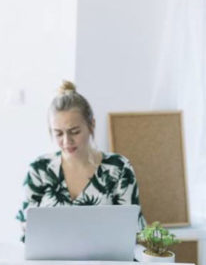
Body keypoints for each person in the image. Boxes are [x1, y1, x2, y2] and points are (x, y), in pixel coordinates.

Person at [17, 81, 146, 239]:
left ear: (91, 125)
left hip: (106, 262)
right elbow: (26, 227)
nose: (66, 141)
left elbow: (133, 230)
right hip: (51, 261)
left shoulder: (119, 168)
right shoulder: (39, 169)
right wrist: (28, 228)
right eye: (58, 133)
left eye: (75, 132)